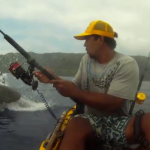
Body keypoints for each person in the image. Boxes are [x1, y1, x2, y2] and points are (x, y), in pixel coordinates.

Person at [33, 20, 150, 150]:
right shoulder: (86, 60)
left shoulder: (126, 63)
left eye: (87, 39)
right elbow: (75, 90)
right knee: (76, 123)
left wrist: (74, 91)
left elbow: (113, 103)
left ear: (100, 39)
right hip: (89, 121)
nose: (84, 44)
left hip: (118, 123)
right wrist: (52, 78)